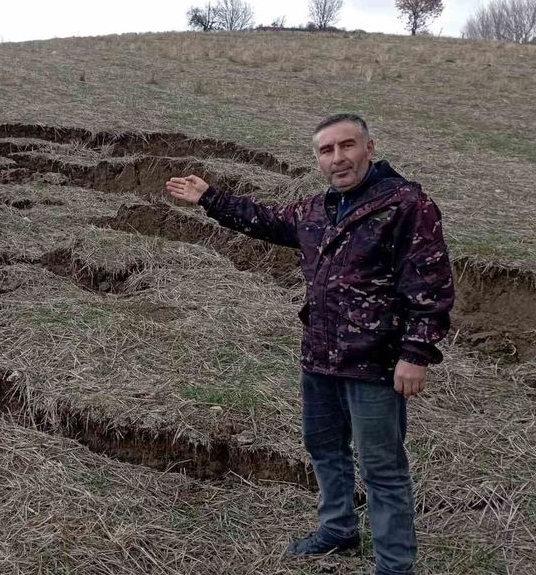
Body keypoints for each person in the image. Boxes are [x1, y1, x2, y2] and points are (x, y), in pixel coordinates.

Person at [164, 114, 454, 575]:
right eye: (326, 150)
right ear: (318, 159)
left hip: (374, 362)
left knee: (382, 468)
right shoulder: (317, 209)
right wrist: (210, 198)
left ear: (369, 148)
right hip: (319, 354)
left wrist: (415, 354)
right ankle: (338, 528)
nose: (338, 158)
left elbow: (431, 284)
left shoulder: (406, 205)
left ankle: (395, 565)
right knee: (323, 446)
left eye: (347, 146)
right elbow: (265, 220)